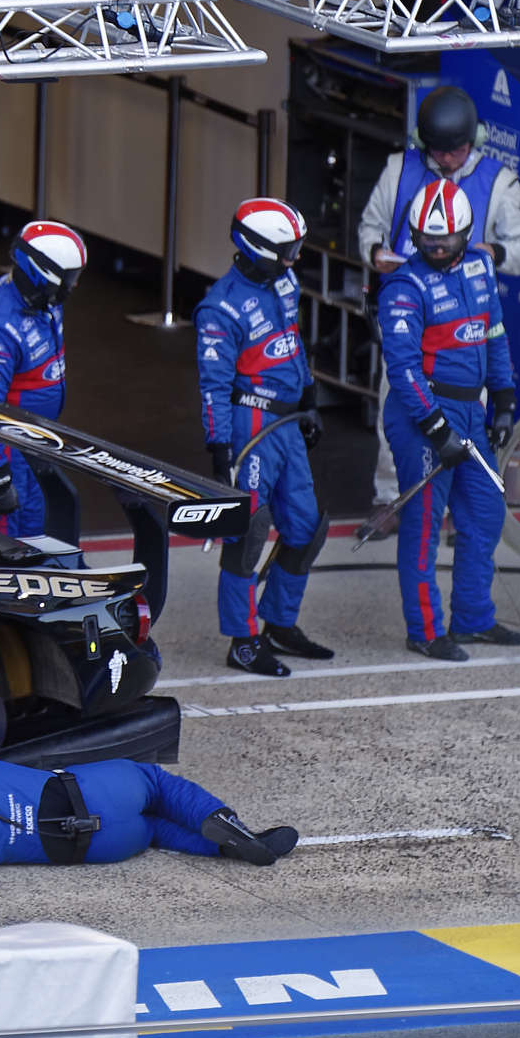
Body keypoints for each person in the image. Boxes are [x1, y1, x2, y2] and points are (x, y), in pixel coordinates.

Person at [0, 694, 297, 872]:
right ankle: (231, 827)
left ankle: (219, 848)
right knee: (157, 785)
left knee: (155, 831)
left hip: (97, 850)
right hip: (92, 792)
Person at [358, 85, 520, 513]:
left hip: (466, 327)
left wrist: (494, 252)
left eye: (456, 151)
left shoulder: (498, 180)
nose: (446, 160)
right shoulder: (397, 169)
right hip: (408, 317)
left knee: (468, 422)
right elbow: (369, 228)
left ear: (473, 141)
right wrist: (374, 254)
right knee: (399, 410)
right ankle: (391, 501)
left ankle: (458, 512)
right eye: (438, 152)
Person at [379, 180, 519, 662]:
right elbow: (402, 370)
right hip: (420, 414)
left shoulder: (481, 266)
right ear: (413, 236)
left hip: (472, 410)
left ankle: (473, 619)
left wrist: (503, 397)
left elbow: (495, 334)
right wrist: (437, 429)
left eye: (446, 240)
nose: (436, 248)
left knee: (485, 513)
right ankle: (424, 630)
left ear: (466, 233)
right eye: (426, 240)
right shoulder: (402, 286)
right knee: (423, 524)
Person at [196, 197, 329, 678]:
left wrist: (310, 399)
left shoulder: (285, 281)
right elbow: (212, 387)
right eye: (286, 250)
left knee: (307, 527)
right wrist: (219, 449)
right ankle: (242, 639)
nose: (295, 258)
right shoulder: (219, 308)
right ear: (257, 248)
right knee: (248, 533)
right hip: (249, 425)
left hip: (287, 423)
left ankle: (278, 623)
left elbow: (294, 340)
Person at [0, 221, 88, 541]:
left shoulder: (43, 300)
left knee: (33, 534)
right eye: (71, 277)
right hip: (1, 453)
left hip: (30, 443)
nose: (75, 286)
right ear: (43, 272)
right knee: (1, 546)